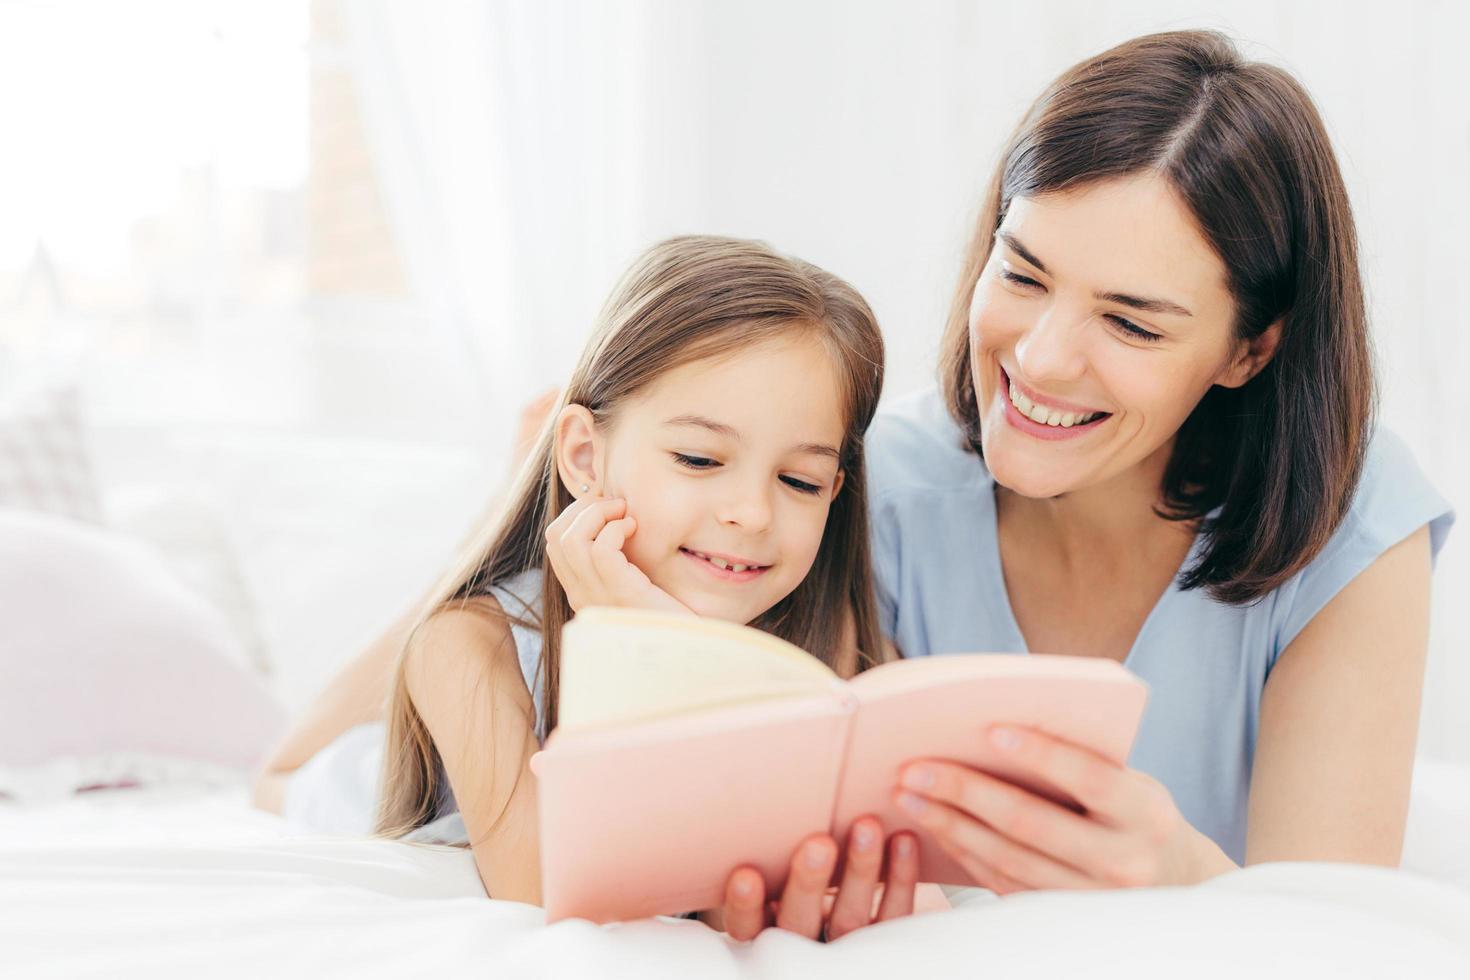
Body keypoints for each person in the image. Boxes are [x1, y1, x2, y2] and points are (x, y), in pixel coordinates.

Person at [855, 29, 1454, 897]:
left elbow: (1333, 934)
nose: (1044, 358)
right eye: (1023, 275)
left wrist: (1182, 874)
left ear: (1248, 353)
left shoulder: (1351, 523)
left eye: (1131, 324)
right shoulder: (881, 486)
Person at [254, 234, 922, 940]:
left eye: (800, 481)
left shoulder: (839, 645)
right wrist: (639, 645)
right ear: (583, 454)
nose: (752, 513)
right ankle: (488, 520)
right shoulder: (467, 648)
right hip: (346, 779)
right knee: (278, 774)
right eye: (699, 458)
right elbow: (546, 890)